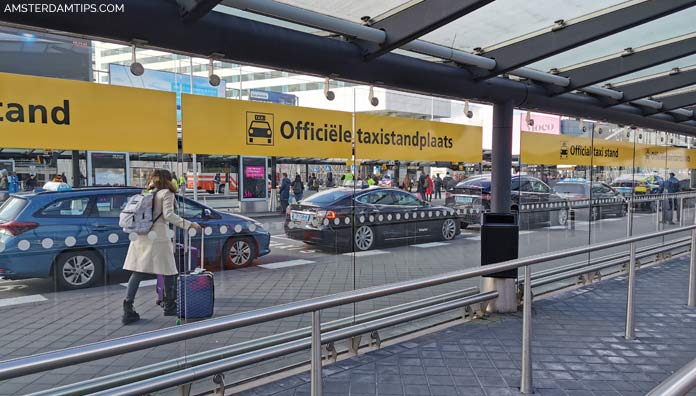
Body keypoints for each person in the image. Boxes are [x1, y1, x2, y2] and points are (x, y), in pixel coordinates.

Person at [121, 169, 201, 325]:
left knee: (138, 272)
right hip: (158, 236)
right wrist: (190, 225)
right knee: (169, 270)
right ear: (168, 180)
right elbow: (169, 215)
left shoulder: (148, 192)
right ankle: (169, 305)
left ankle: (128, 307)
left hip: (142, 235)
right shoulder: (166, 194)